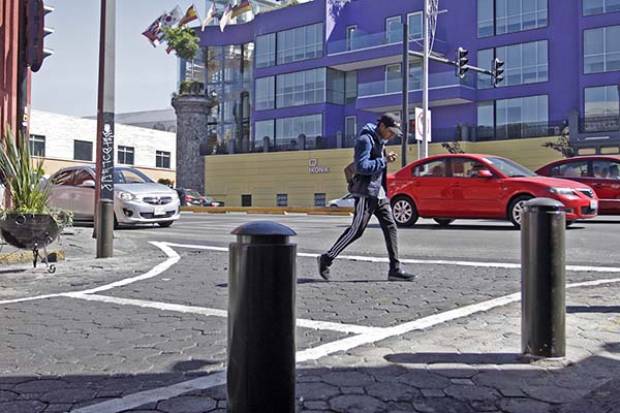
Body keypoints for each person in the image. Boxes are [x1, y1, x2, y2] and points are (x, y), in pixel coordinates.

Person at [317, 114, 415, 282]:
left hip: (379, 193)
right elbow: (362, 167)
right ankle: (326, 258)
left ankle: (395, 269)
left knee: (391, 227)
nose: (391, 136)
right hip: (366, 193)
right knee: (356, 231)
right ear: (382, 127)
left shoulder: (380, 141)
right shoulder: (365, 140)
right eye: (390, 132)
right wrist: (384, 160)